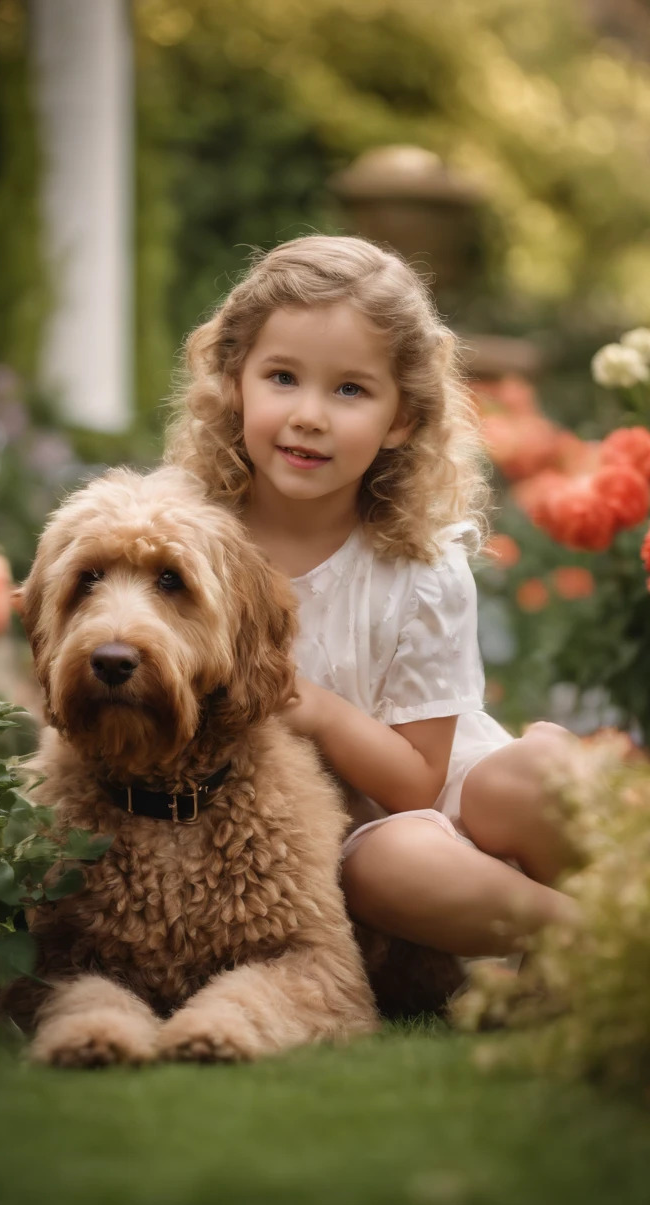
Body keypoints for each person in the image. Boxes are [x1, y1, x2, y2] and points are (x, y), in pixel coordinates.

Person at [167, 234, 577, 962]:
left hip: (432, 796)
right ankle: (589, 942)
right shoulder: (187, 540)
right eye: (283, 377)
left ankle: (633, 921)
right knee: (389, 862)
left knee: (536, 773)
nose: (310, 415)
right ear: (234, 381)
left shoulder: (417, 567)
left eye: (350, 389)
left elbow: (421, 783)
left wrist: (314, 706)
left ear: (402, 420)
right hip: (356, 845)